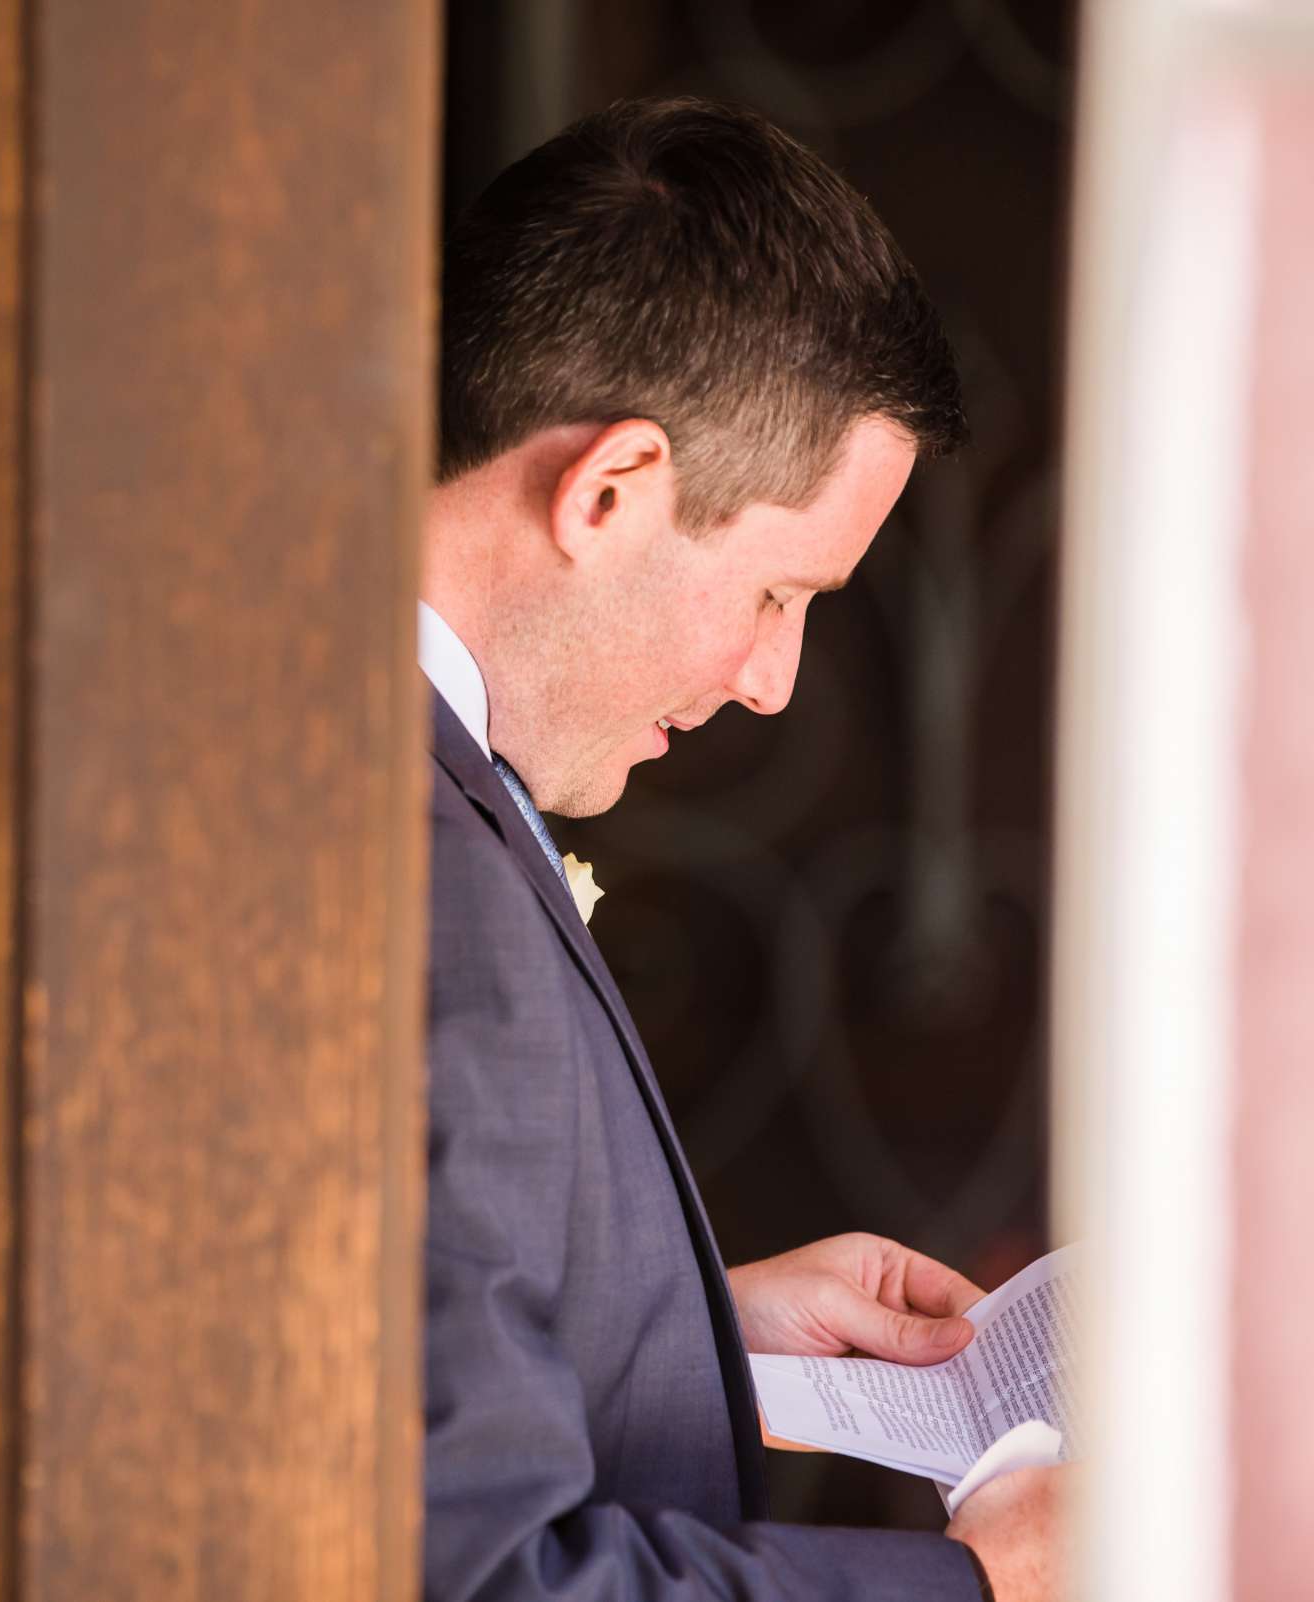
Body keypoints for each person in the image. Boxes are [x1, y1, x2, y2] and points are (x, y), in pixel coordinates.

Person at [420, 99, 1060, 1602]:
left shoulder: (420, 786)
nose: (770, 680)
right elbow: (488, 1575)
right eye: (779, 594)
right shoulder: (428, 880)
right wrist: (981, 1586)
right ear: (609, 491)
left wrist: (691, 1327)